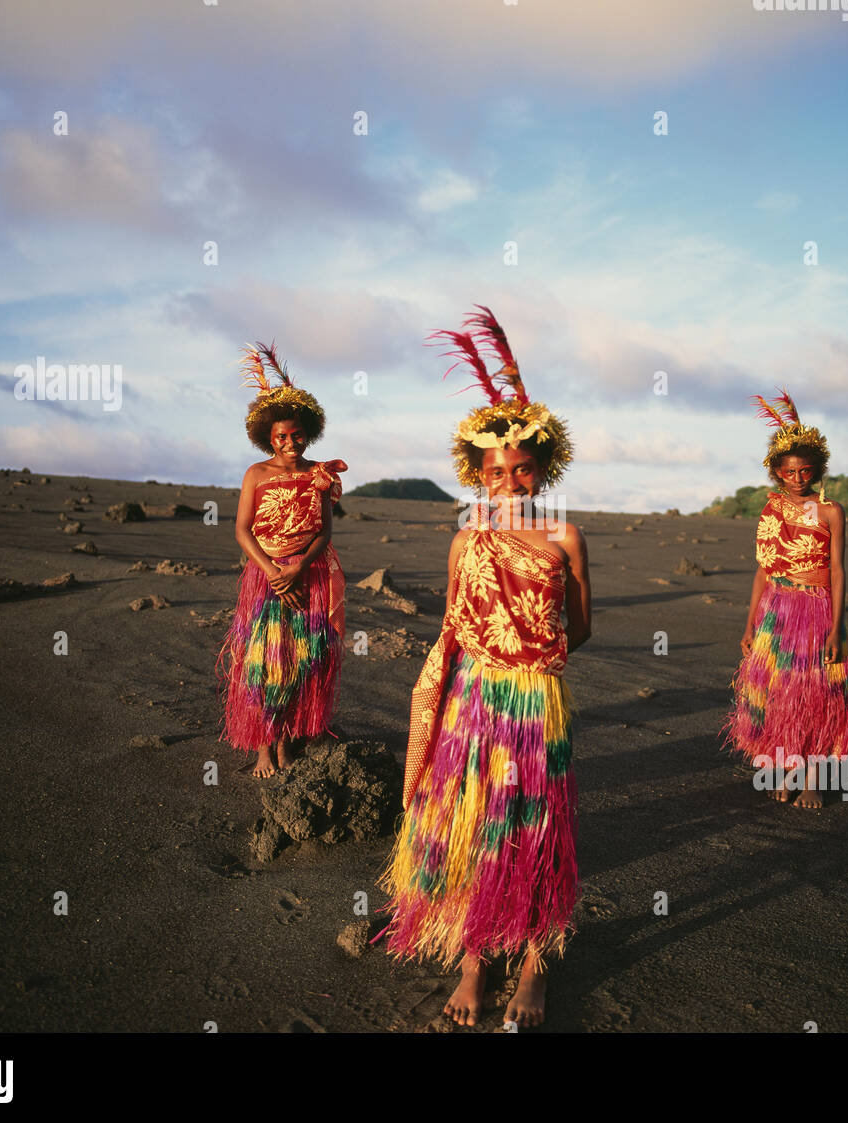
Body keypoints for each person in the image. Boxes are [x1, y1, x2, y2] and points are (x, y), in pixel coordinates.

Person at [378, 305, 591, 1029]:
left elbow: (582, 624)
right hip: (473, 700)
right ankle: (474, 956)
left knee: (531, 823)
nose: (508, 479)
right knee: (471, 820)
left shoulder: (564, 534)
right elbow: (452, 627)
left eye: (522, 467)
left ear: (542, 467)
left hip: (536, 699)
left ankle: (534, 963)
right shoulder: (465, 535)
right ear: (478, 471)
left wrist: (531, 655)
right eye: (495, 470)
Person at [216, 342, 347, 779]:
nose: (290, 443)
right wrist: (274, 571)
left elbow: (325, 532)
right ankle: (262, 751)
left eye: (296, 435)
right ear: (268, 440)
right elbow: (242, 529)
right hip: (267, 578)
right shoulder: (256, 474)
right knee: (265, 661)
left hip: (308, 576)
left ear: (307, 433)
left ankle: (289, 743)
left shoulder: (319, 476)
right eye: (281, 438)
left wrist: (299, 568)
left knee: (304, 660)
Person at [725, 391, 848, 809]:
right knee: (780, 693)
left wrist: (836, 627)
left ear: (818, 471)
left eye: (806, 471)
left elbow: (837, 570)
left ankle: (814, 779)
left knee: (819, 693)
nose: (798, 478)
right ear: (777, 474)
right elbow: (763, 569)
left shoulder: (831, 510)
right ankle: (786, 769)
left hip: (817, 608)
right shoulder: (771, 511)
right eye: (790, 472)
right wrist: (749, 626)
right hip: (777, 611)